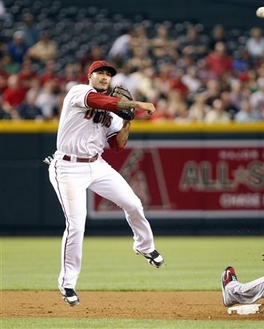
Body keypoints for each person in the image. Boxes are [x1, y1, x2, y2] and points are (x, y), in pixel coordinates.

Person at [46, 60, 164, 307]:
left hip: (96, 165)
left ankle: (144, 246)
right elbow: (101, 102)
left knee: (133, 203)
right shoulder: (79, 92)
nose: (104, 77)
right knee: (77, 225)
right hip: (67, 166)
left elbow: (118, 146)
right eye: (99, 73)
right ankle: (67, 283)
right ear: (90, 76)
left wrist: (128, 119)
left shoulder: (114, 111)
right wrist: (135, 104)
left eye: (108, 74)